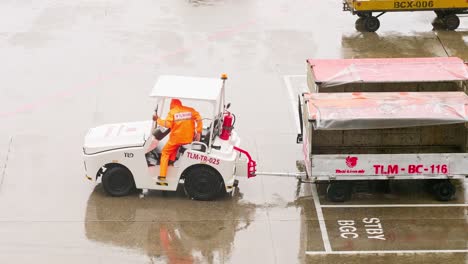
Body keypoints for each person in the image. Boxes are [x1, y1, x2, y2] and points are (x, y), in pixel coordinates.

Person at [153, 99, 202, 185]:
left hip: (176, 139)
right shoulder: (190, 110)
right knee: (173, 149)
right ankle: (171, 164)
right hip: (188, 139)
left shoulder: (172, 112)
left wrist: (157, 119)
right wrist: (198, 132)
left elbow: (167, 124)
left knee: (165, 152)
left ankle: (162, 178)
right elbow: (199, 118)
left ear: (171, 105)